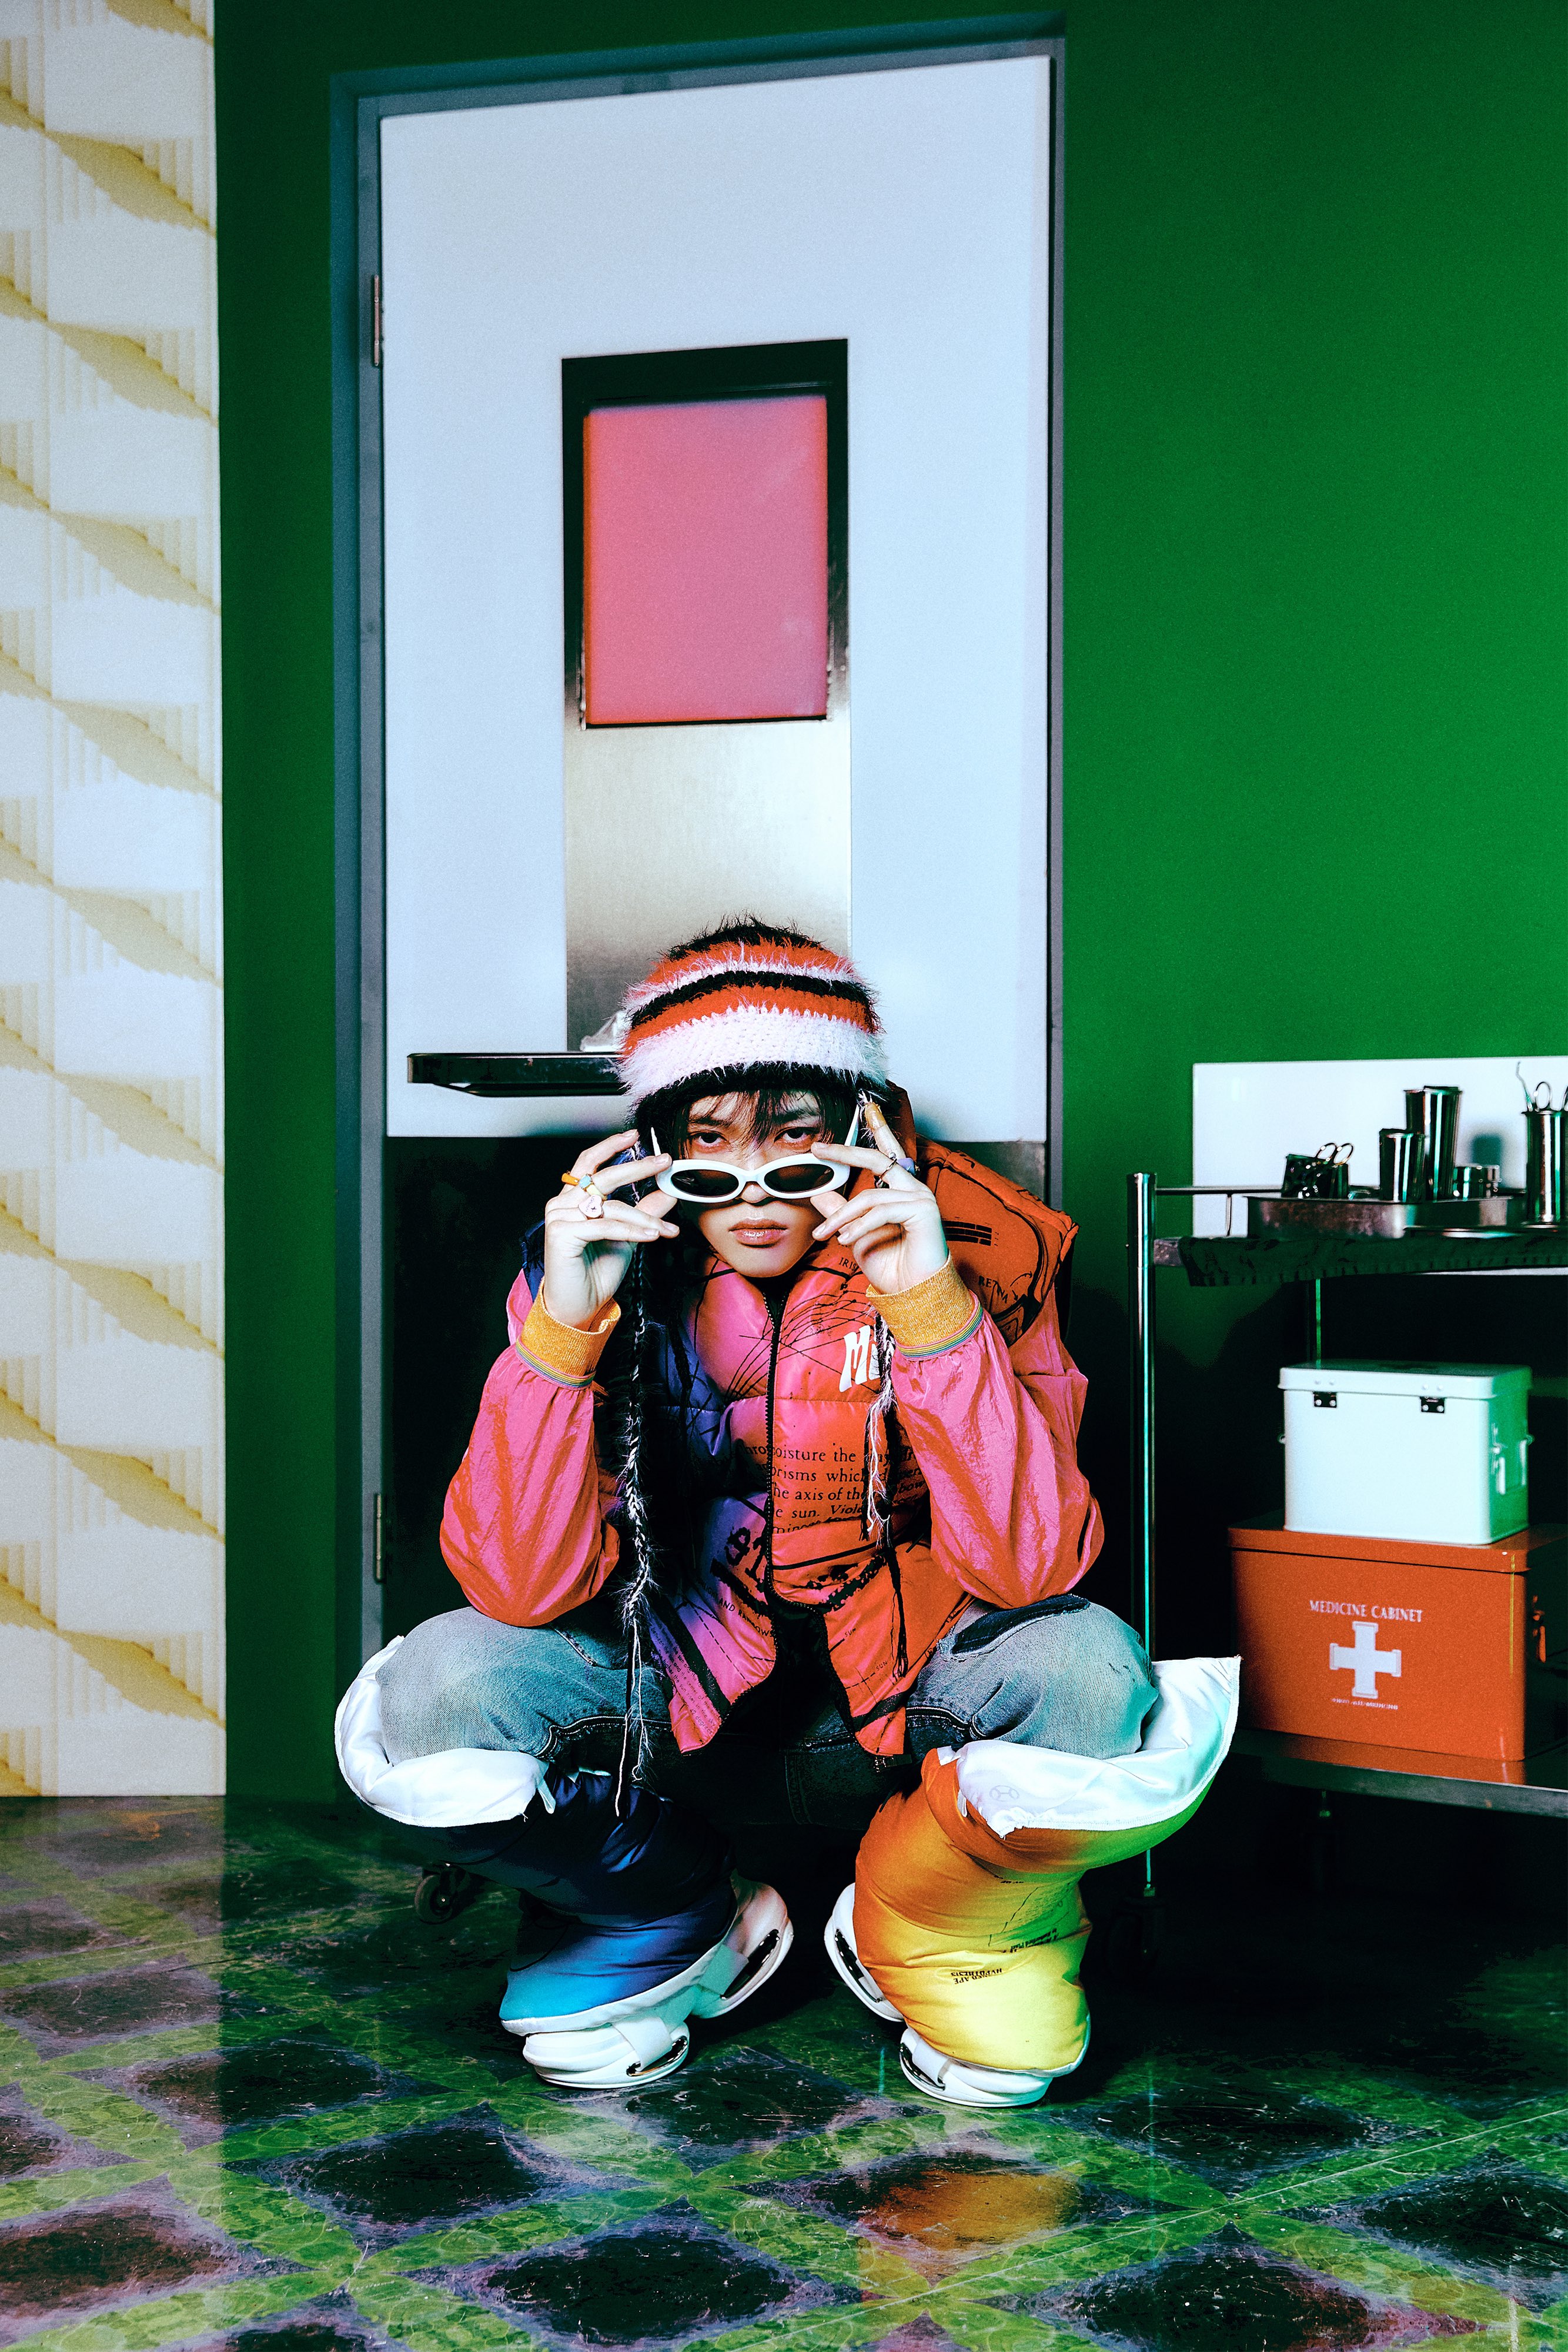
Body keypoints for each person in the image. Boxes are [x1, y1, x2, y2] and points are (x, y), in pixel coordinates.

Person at [336, 922, 1236, 2104]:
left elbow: (1030, 1568)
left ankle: (935, 1918)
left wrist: (929, 1303)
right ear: (653, 1144)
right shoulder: (592, 1249)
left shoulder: (987, 1247)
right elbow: (517, 1584)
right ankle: (659, 1906)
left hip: (911, 1711)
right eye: (708, 1142)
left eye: (794, 1135)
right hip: (670, 1714)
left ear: (861, 1125)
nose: (754, 1186)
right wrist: (562, 1327)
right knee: (438, 1687)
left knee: (1090, 1670)